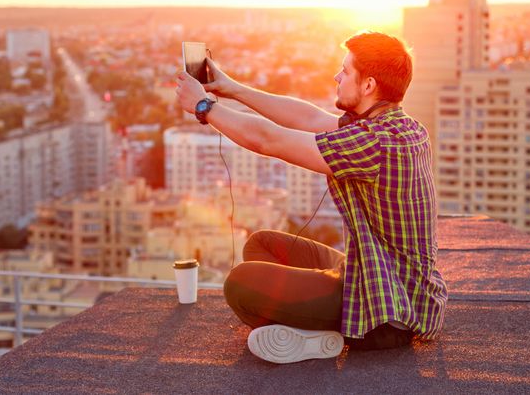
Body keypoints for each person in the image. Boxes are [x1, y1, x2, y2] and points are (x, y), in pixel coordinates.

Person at [175, 31, 447, 364]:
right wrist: (231, 88)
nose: (337, 76)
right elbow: (308, 118)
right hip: (373, 272)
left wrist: (204, 106)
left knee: (240, 283)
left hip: (388, 309)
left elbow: (267, 141)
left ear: (368, 86)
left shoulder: (375, 144)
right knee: (260, 245)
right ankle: (310, 328)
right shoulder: (400, 127)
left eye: (345, 71)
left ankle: (320, 336)